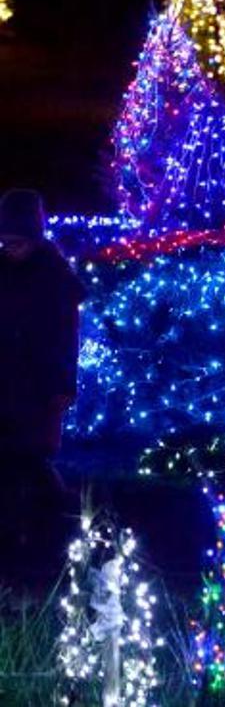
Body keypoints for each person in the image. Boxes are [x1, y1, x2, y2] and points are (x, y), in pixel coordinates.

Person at [0, 189, 84, 557]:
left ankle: (56, 531)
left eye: (16, 242)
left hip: (40, 384)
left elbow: (66, 335)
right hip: (5, 379)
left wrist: (64, 384)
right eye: (4, 242)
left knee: (33, 458)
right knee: (8, 460)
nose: (9, 249)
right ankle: (15, 537)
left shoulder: (54, 275)